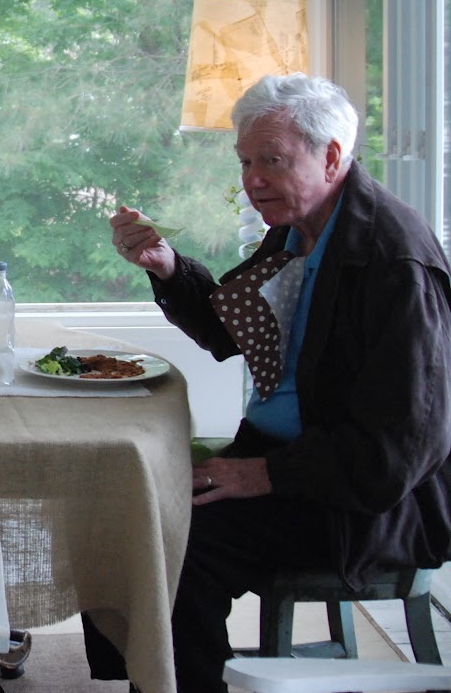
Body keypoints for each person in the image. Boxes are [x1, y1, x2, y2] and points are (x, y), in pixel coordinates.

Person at [98, 73, 451, 693]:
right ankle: (145, 678)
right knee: (120, 501)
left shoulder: (393, 261)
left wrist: (260, 474)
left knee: (169, 543)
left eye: (272, 161)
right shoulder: (299, 229)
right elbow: (230, 328)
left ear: (331, 156)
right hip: (283, 462)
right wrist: (167, 266)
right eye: (245, 162)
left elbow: (398, 450)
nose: (252, 180)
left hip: (357, 502)